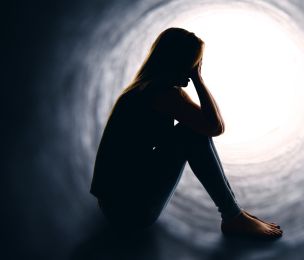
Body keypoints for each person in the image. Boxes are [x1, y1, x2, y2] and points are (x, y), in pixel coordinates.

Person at [90, 27, 282, 239]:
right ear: (180, 62)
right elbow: (215, 127)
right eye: (194, 61)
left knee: (191, 130)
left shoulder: (146, 88)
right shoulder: (162, 94)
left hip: (114, 206)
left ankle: (235, 212)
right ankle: (232, 215)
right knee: (191, 134)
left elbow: (208, 123)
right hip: (129, 214)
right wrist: (199, 80)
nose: (194, 67)